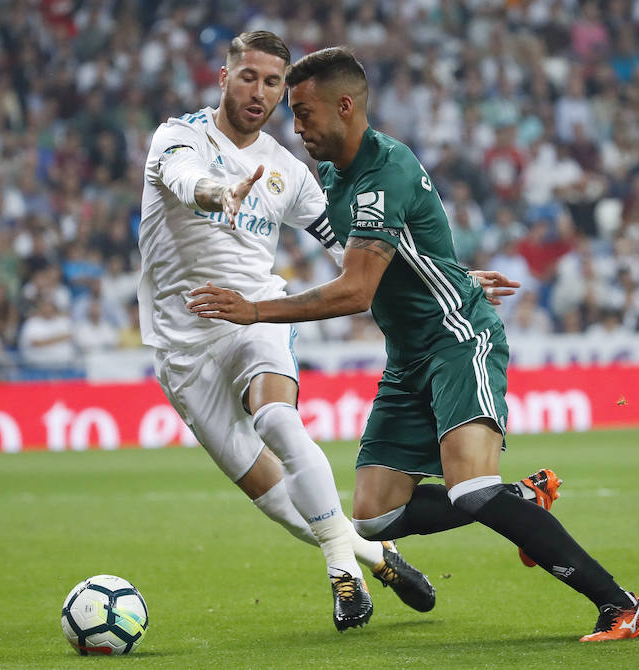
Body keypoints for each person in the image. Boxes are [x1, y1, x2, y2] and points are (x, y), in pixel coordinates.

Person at [188, 47, 639, 643]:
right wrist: (453, 269)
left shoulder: (388, 170)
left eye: (303, 113)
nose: (296, 126)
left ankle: (622, 606)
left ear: (344, 105)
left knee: (472, 488)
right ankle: (524, 499)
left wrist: (254, 311)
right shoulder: (333, 177)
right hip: (408, 358)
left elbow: (357, 290)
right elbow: (381, 255)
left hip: (457, 338)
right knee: (375, 514)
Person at [138, 31, 436, 632]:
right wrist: (220, 192)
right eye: (248, 77)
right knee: (278, 500)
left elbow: (347, 247)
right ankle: (377, 555)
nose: (260, 92)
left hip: (254, 315)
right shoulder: (177, 138)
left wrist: (440, 276)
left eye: (273, 83)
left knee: (277, 419)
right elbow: (188, 181)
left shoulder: (287, 169)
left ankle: (341, 574)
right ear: (224, 78)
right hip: (182, 347)